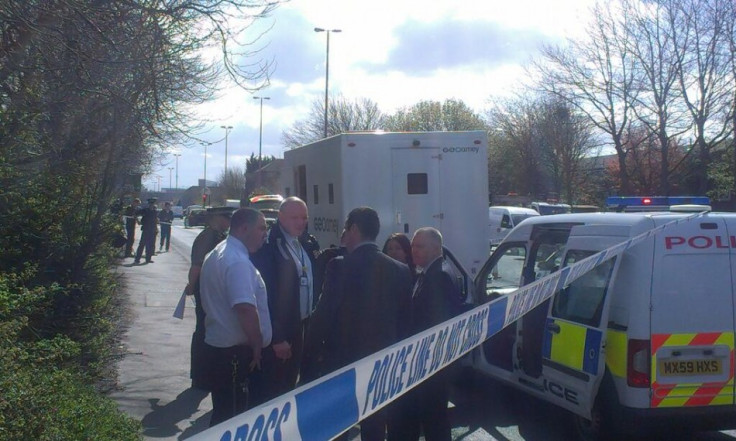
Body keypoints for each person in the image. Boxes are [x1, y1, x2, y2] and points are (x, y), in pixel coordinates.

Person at [334, 207, 412, 441]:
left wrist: (309, 360)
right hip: (383, 364)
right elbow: (404, 321)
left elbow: (326, 318)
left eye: (347, 229)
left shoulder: (339, 266)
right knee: (375, 425)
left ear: (354, 229)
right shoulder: (400, 270)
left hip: (343, 364)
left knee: (339, 424)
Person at [387, 227, 462, 441]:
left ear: (436, 249)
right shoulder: (429, 271)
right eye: (412, 245)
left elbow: (437, 324)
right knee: (432, 418)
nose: (414, 250)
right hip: (426, 363)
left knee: (434, 420)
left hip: (431, 364)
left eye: (420, 246)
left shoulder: (439, 275)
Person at [199, 208, 270, 426]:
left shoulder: (219, 251)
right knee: (232, 419)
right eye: (262, 228)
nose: (265, 234)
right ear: (244, 228)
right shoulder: (237, 261)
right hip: (234, 356)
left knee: (223, 414)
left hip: (219, 349)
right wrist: (257, 347)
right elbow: (245, 309)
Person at [249, 196, 320, 405]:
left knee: (289, 386)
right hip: (279, 333)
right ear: (280, 217)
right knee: (273, 390)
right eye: (294, 217)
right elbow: (265, 294)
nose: (300, 222)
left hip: (301, 326)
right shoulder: (270, 245)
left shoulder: (306, 242)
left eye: (304, 217)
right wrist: (277, 337)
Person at [186, 206, 236, 390]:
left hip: (212, 290)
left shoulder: (219, 236)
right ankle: (200, 377)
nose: (229, 222)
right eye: (226, 217)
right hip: (204, 289)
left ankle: (207, 375)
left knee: (209, 329)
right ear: (216, 218)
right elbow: (196, 266)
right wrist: (191, 286)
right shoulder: (207, 237)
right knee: (203, 331)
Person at [134, 198, 158, 264]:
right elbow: (135, 214)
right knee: (142, 244)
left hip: (152, 230)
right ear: (148, 204)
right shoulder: (145, 210)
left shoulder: (155, 211)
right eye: (150, 204)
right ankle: (137, 259)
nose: (151, 205)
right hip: (145, 229)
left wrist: (156, 229)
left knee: (150, 245)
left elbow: (155, 221)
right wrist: (138, 221)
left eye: (152, 204)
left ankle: (148, 259)